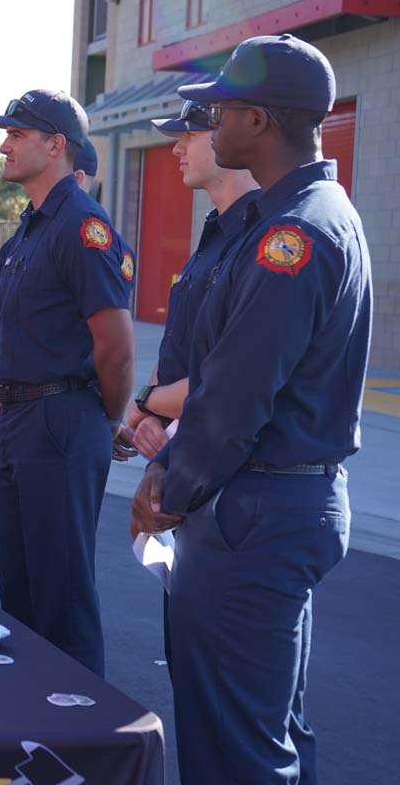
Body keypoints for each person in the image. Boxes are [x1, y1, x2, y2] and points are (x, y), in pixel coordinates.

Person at [132, 34, 371, 784]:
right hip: (270, 503)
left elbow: (234, 397)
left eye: (223, 109)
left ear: (260, 122)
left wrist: (170, 484)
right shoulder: (297, 214)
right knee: (268, 731)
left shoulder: (291, 236)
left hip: (257, 511)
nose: (211, 121)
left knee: (234, 748)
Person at [0, 89, 135, 675]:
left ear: (56, 145)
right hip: (21, 421)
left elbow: (116, 350)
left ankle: (81, 738)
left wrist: (108, 419)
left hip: (61, 422)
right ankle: (32, 722)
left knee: (62, 595)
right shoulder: (32, 227)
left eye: (17, 134)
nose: (4, 144)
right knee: (21, 591)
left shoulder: (81, 226)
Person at [0, 141, 106, 597]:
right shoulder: (23, 239)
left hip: (48, 415)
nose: (4, 146)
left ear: (79, 174)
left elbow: (109, 341)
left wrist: (108, 416)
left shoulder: (87, 234)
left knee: (49, 573)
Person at [127, 100, 260, 677]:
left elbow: (231, 379)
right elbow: (180, 354)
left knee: (233, 698)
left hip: (231, 491)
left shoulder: (263, 238)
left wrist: (146, 405)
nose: (177, 147)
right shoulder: (214, 233)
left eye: (190, 133)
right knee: (194, 673)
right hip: (185, 472)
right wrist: (153, 419)